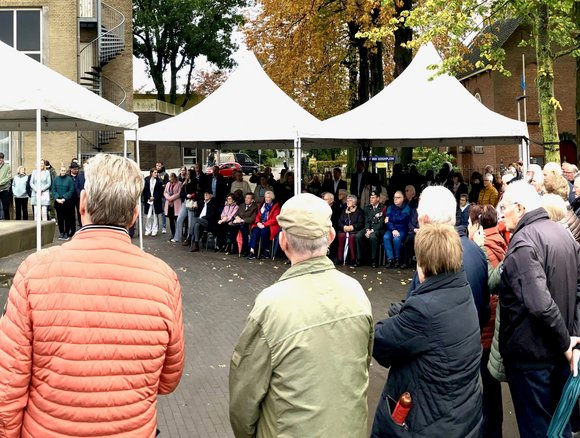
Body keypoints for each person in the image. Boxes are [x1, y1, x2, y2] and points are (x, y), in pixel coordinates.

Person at [0, 153, 184, 437]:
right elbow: (169, 379)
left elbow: (9, 381)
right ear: (135, 215)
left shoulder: (34, 272)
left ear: (83, 203)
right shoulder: (164, 279)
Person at [229, 193, 373, 438]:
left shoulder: (270, 305)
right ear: (329, 237)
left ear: (283, 242)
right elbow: (363, 366)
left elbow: (244, 399)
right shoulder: (356, 294)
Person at [372, 223, 483, 437]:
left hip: (430, 422)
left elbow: (380, 341)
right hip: (461, 413)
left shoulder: (423, 311)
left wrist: (404, 315)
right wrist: (404, 314)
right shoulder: (461, 288)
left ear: (424, 266)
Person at [497, 181, 580, 437]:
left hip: (533, 360)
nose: (501, 213)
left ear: (520, 208)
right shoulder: (562, 233)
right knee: (558, 425)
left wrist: (568, 343)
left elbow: (541, 305)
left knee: (540, 429)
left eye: (505, 207)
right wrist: (570, 342)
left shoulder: (523, 243)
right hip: (554, 354)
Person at [355, 190, 385, 267]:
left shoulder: (383, 208)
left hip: (378, 230)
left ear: (378, 198)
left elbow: (381, 223)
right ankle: (359, 260)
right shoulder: (367, 208)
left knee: (373, 237)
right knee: (358, 235)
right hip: (369, 228)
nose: (371, 199)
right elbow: (367, 220)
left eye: (373, 198)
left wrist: (372, 230)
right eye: (370, 198)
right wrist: (368, 229)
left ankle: (374, 261)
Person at [247, 190, 280, 260]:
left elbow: (274, 219)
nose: (266, 199)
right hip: (260, 224)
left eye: (268, 197)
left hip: (270, 225)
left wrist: (264, 224)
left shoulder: (276, 206)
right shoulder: (262, 205)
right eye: (265, 197)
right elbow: (258, 215)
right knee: (255, 231)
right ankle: (252, 251)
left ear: (272, 198)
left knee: (264, 232)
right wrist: (257, 222)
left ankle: (266, 249)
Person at [383, 190, 410, 268]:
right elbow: (387, 222)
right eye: (394, 197)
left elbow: (402, 219)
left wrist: (390, 218)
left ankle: (398, 259)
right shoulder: (390, 207)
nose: (395, 199)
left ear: (403, 198)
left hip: (402, 229)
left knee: (396, 239)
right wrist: (393, 229)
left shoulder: (406, 207)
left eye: (398, 197)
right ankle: (390, 259)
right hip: (391, 229)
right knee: (386, 237)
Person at [336, 194, 364, 265]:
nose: (347, 202)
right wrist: (344, 227)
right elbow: (339, 222)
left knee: (352, 238)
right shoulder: (344, 210)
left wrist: (352, 227)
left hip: (354, 231)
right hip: (344, 230)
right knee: (341, 236)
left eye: (350, 200)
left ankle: (353, 258)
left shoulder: (359, 211)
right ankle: (340, 258)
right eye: (347, 200)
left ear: (354, 202)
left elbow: (360, 223)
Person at [52, 165, 75, 240]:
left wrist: (64, 198)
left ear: (66, 171)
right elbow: (53, 190)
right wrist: (57, 198)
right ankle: (61, 233)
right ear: (59, 171)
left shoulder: (69, 179)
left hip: (67, 203)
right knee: (60, 218)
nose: (63, 172)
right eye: (62, 170)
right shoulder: (55, 179)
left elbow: (71, 190)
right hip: (58, 202)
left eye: (64, 170)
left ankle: (66, 233)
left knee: (67, 218)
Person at [143, 168, 163, 236]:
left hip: (156, 200)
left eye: (156, 172)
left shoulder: (159, 181)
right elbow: (145, 190)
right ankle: (148, 229)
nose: (156, 174)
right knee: (148, 216)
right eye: (155, 172)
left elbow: (160, 191)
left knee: (155, 215)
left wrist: (154, 197)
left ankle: (154, 230)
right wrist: (149, 197)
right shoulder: (146, 180)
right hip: (149, 200)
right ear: (151, 173)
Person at [163, 172, 182, 242]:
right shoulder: (168, 184)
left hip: (176, 204)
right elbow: (165, 192)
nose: (171, 181)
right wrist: (168, 197)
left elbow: (179, 193)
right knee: (171, 220)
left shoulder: (179, 183)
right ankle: (173, 234)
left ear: (175, 178)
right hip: (169, 204)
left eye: (173, 179)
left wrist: (171, 198)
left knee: (177, 219)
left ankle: (178, 234)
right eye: (170, 180)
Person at [69, 161, 85, 234]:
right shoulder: (68, 176)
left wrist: (80, 195)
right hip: (70, 198)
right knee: (71, 215)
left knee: (80, 214)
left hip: (79, 198)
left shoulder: (81, 175)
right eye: (75, 169)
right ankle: (72, 230)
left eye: (77, 169)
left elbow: (80, 187)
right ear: (71, 169)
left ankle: (82, 229)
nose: (76, 170)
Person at [0, 152, 11, 220]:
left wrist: (0, 183)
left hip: (4, 189)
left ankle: (7, 220)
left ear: (3, 159)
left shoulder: (7, 166)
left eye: (0, 159)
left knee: (5, 207)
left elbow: (8, 177)